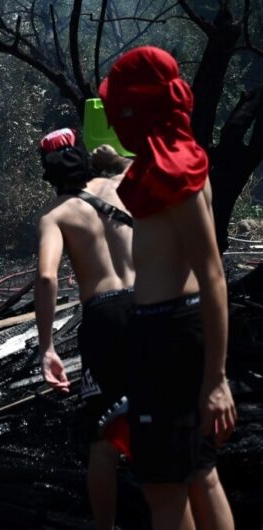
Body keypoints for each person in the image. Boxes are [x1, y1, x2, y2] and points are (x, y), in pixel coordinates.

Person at [100, 46, 237, 530]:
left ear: (136, 109)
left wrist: (216, 380)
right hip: (169, 333)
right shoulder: (172, 161)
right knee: (199, 474)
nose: (113, 120)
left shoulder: (176, 173)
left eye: (119, 109)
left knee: (164, 488)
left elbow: (213, 272)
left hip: (169, 338)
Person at [34, 128, 135, 530]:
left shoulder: (55, 215)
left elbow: (47, 277)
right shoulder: (119, 187)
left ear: (48, 173)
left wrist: (47, 346)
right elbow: (141, 165)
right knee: (162, 416)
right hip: (149, 304)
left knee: (103, 435)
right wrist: (111, 159)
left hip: (105, 316)